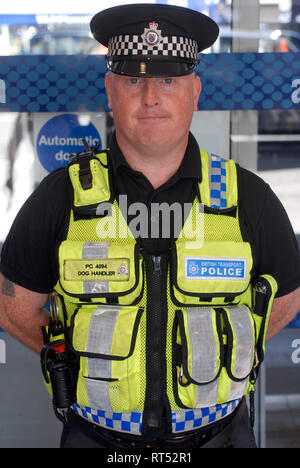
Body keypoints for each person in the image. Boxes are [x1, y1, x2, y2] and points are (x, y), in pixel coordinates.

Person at [0, 3, 300, 450]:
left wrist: (219, 354)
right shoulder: (61, 196)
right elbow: (15, 309)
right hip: (96, 438)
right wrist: (80, 357)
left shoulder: (247, 198)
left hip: (221, 438)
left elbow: (287, 299)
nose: (151, 97)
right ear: (109, 90)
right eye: (133, 80)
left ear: (195, 91)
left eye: (168, 79)